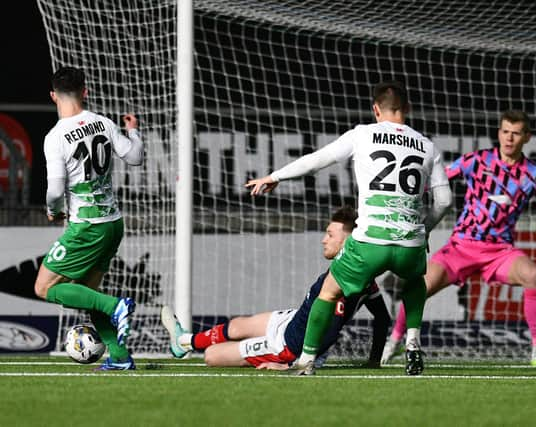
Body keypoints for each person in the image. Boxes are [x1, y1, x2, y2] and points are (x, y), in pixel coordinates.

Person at [381, 110, 536, 366]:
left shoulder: (533, 175)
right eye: (505, 132)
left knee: (533, 275)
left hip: (499, 252)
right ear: (499, 133)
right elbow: (435, 181)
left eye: (516, 133)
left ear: (527, 137)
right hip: (461, 247)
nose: (509, 138)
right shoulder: (475, 161)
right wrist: (401, 196)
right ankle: (396, 342)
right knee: (418, 287)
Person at [245, 81, 452, 375]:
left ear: (376, 109)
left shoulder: (363, 134)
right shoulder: (428, 146)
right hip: (410, 244)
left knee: (328, 293)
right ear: (407, 109)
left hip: (370, 242)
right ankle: (413, 342)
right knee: (414, 280)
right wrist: (423, 231)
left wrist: (275, 177)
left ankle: (305, 361)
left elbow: (317, 161)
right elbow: (444, 201)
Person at [161, 206, 391, 369]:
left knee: (212, 356)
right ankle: (184, 341)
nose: (324, 239)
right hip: (293, 321)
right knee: (240, 324)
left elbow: (332, 329)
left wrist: (296, 362)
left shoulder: (346, 278)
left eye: (330, 235)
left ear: (348, 241)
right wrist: (374, 359)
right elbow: (382, 317)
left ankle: (185, 342)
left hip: (288, 347)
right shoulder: (360, 276)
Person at [35, 67, 144, 370]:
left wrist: (54, 211)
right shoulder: (103, 123)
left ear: (53, 95)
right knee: (88, 294)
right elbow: (135, 157)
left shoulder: (56, 136)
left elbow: (55, 189)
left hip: (86, 227)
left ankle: (117, 305)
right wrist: (134, 132)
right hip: (113, 223)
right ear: (85, 92)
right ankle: (120, 358)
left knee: (43, 288)